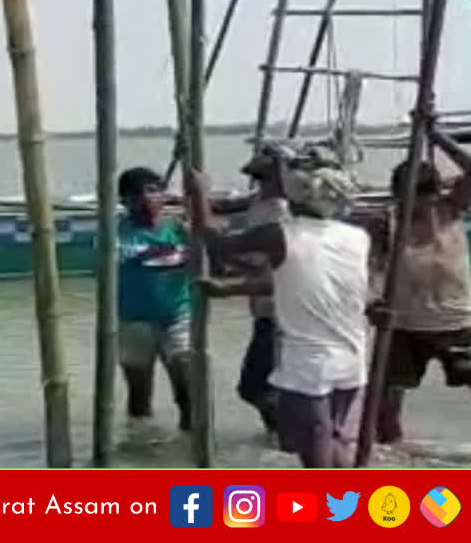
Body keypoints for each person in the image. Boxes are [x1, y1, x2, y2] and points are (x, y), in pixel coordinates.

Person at [189, 144, 372, 468]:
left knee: (314, 448)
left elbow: (217, 246)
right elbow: (324, 282)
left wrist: (199, 196)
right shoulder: (357, 236)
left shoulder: (281, 233)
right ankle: (349, 509)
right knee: (335, 439)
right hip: (352, 356)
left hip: (308, 362)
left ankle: (329, 512)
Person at [373, 124, 471, 444]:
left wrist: (437, 135)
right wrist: (370, 303)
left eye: (419, 199)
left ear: (434, 194)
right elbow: (365, 270)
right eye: (405, 199)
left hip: (457, 324)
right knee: (384, 410)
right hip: (403, 327)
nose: (413, 208)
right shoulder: (387, 223)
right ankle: (395, 460)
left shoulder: (451, 210)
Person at [196, 148, 291, 440]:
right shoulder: (260, 200)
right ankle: (280, 436)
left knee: (255, 388)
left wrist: (200, 196)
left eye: (265, 174)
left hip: (280, 312)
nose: (259, 181)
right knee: (269, 386)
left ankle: (288, 437)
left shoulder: (281, 211)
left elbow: (277, 274)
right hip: (264, 308)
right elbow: (227, 208)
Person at [116, 166, 193, 432]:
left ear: (163, 195)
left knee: (188, 393)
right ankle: (141, 451)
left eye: (152, 191)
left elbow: (205, 252)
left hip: (178, 317)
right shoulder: (118, 233)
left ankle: (189, 448)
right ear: (124, 201)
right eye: (137, 194)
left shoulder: (177, 227)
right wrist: (180, 254)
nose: (147, 198)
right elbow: (139, 255)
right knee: (139, 398)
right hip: (134, 321)